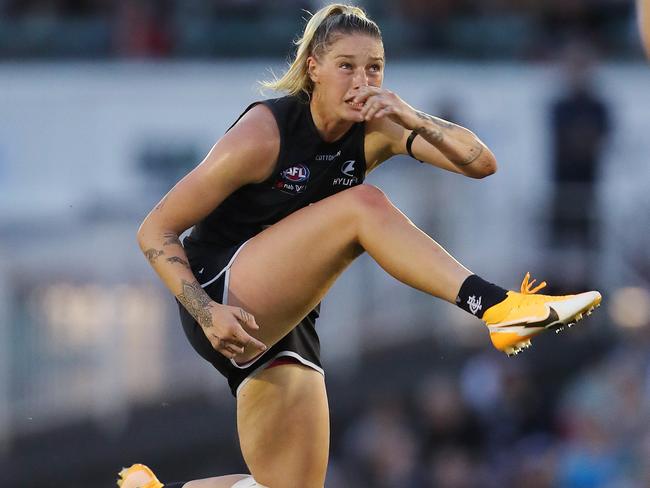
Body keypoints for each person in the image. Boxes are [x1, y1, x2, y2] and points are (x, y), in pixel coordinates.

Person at [120, 4, 601, 488]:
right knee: (363, 205)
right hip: (219, 293)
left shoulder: (377, 126)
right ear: (314, 68)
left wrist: (412, 117)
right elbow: (155, 231)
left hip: (287, 319)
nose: (361, 80)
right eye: (346, 66)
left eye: (374, 68)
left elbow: (481, 164)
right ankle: (497, 307)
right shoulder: (264, 134)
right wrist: (207, 314)